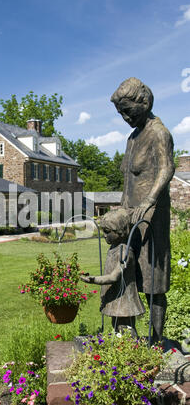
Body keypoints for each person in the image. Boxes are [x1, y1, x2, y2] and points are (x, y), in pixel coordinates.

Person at [110, 77, 175, 344]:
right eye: (120, 112)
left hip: (151, 218)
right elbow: (128, 180)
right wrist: (122, 210)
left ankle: (158, 341)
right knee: (128, 272)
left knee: (153, 282)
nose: (125, 117)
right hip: (130, 218)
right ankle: (128, 337)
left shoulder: (159, 133)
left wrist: (148, 201)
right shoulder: (132, 137)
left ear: (144, 102)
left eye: (128, 110)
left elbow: (167, 168)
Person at [81, 208, 145, 337]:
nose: (104, 235)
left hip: (124, 297)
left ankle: (132, 349)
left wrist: (93, 279)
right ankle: (122, 348)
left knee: (125, 326)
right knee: (116, 325)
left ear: (120, 231)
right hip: (116, 295)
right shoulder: (114, 248)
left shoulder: (125, 252)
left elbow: (114, 276)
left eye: (107, 231)